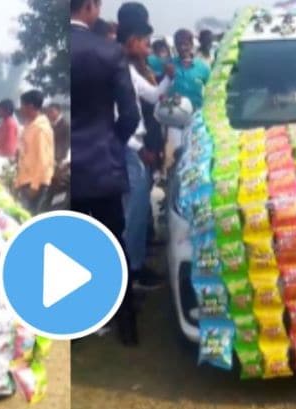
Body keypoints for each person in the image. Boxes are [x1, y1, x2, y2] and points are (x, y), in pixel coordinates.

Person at [71, 0, 141, 345]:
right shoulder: (109, 52)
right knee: (113, 242)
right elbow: (130, 114)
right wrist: (113, 142)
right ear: (90, 8)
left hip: (69, 167)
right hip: (101, 161)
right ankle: (125, 324)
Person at [118, 8, 170, 291]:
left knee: (137, 214)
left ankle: (134, 265)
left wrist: (169, 79)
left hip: (135, 146)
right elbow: (118, 115)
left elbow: (150, 95)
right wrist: (137, 148)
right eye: (145, 43)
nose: (148, 49)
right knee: (132, 215)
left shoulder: (130, 66)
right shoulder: (119, 66)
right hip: (130, 148)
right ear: (133, 39)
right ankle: (131, 272)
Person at [14, 89, 55, 214]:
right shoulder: (29, 125)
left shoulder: (41, 129)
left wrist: (35, 186)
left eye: (22, 105)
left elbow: (44, 159)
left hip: (35, 182)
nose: (20, 109)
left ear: (30, 106)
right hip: (26, 179)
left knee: (30, 218)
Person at [170, 29, 210, 111]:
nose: (182, 48)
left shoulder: (203, 67)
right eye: (179, 44)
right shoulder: (169, 65)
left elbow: (210, 91)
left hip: (197, 116)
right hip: (173, 116)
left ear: (191, 45)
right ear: (175, 46)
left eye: (185, 44)